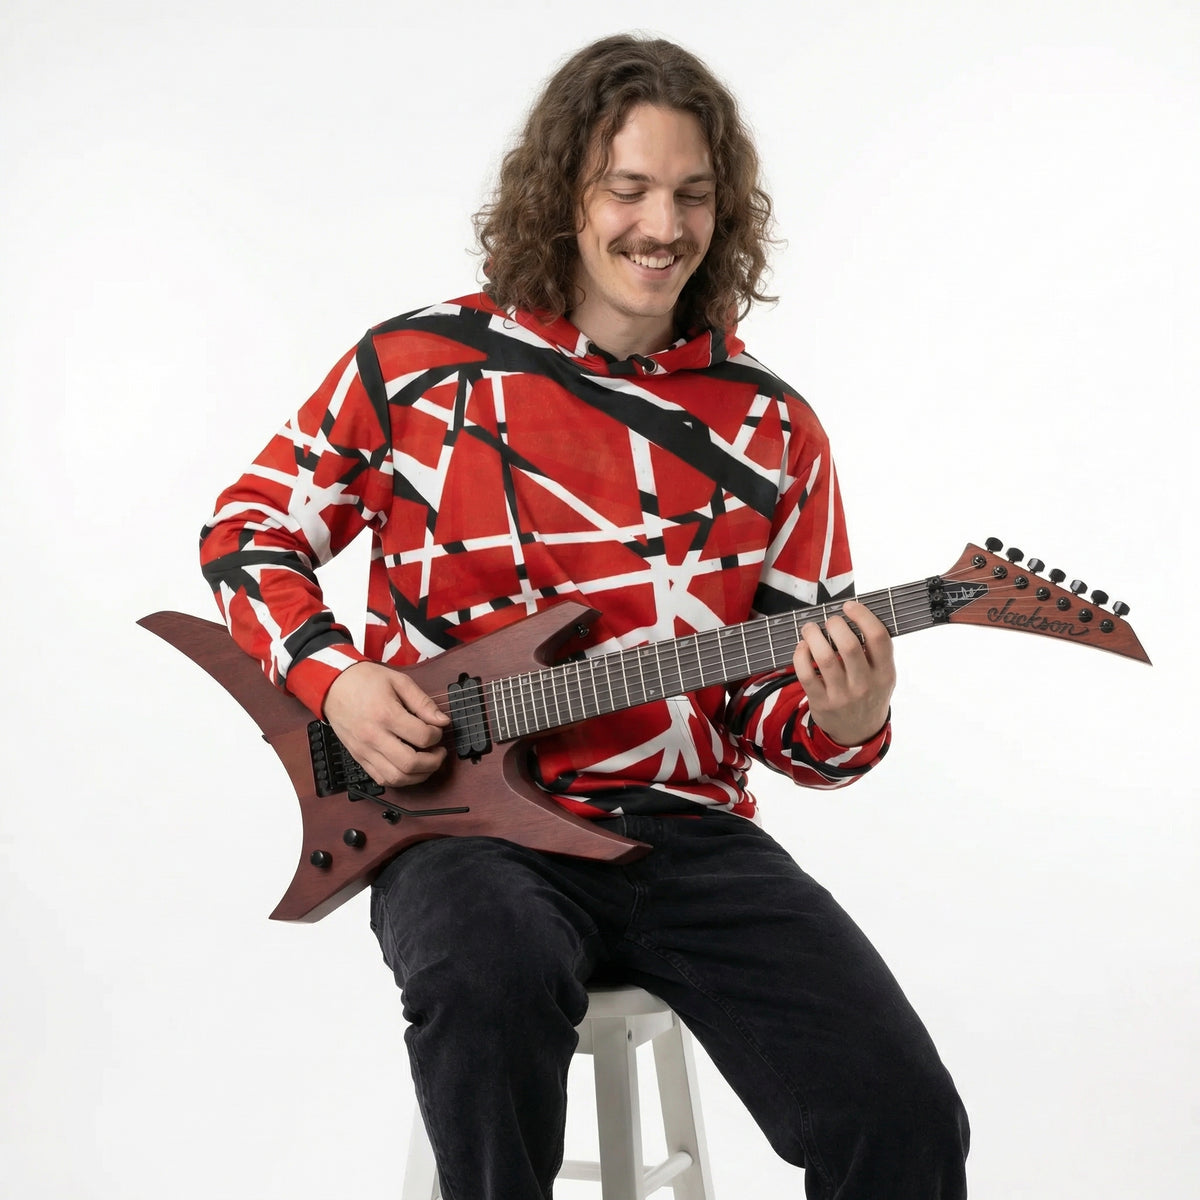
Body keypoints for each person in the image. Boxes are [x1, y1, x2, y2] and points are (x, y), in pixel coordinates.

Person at [199, 32, 969, 1200]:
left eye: (694, 196)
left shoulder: (774, 432)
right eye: (630, 187)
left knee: (905, 1116)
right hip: (459, 831)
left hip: (686, 834)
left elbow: (788, 731)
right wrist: (337, 681)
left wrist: (847, 717)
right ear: (564, 191)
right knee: (488, 976)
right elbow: (249, 530)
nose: (663, 226)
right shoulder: (421, 369)